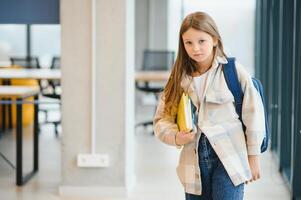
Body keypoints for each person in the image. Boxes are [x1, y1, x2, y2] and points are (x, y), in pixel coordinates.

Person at [153, 11, 265, 200]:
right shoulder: (178, 78)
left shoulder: (232, 70)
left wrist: (253, 157)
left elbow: (253, 114)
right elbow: (162, 119)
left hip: (230, 158)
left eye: (201, 41)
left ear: (214, 39)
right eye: (188, 42)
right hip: (193, 161)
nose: (195, 48)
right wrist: (176, 137)